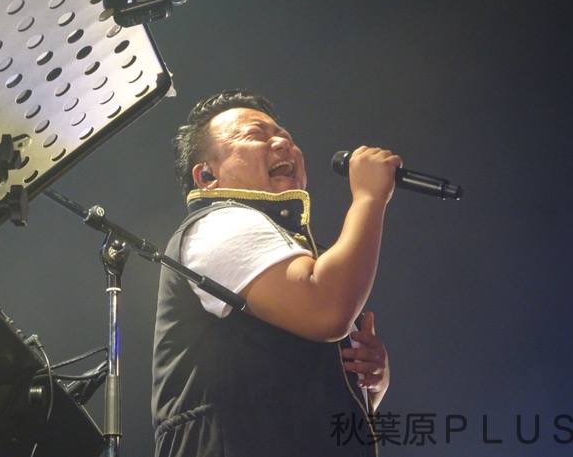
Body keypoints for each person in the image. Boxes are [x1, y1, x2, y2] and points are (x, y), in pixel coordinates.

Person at [151, 90, 401, 457]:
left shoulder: (284, 245)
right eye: (256, 134)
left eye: (285, 135)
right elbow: (327, 309)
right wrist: (369, 198)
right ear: (207, 175)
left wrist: (364, 387)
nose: (283, 143)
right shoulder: (219, 225)